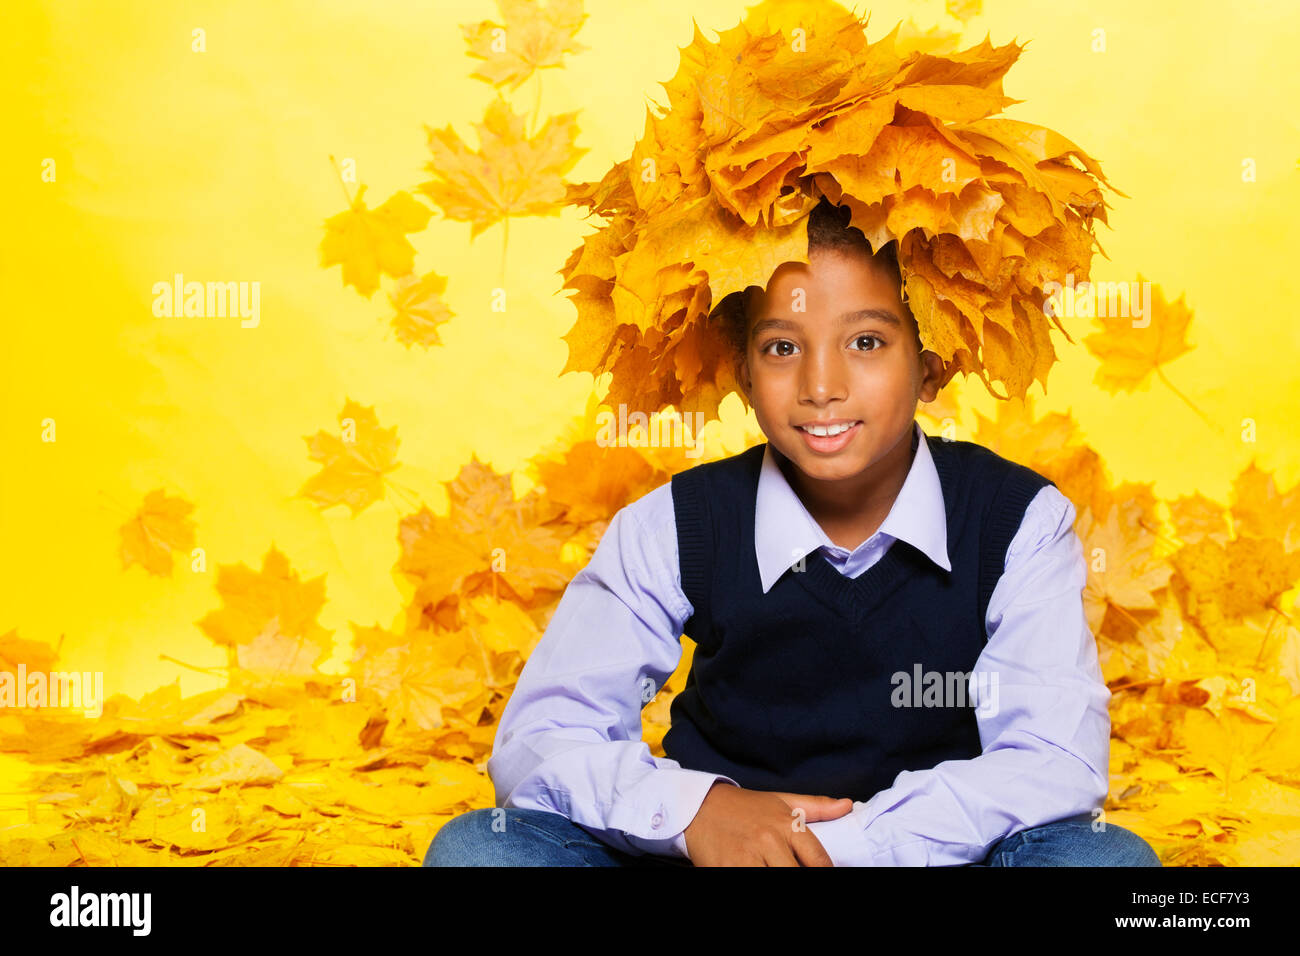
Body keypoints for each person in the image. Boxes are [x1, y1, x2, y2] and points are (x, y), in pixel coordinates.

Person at [424, 198, 1160, 867]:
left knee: (1104, 862)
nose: (820, 385)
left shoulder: (1016, 520)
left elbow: (1054, 760)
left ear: (930, 364)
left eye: (866, 342)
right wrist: (700, 814)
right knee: (475, 853)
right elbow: (540, 739)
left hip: (932, 858)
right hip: (714, 860)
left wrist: (840, 847)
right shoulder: (676, 525)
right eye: (782, 348)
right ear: (743, 372)